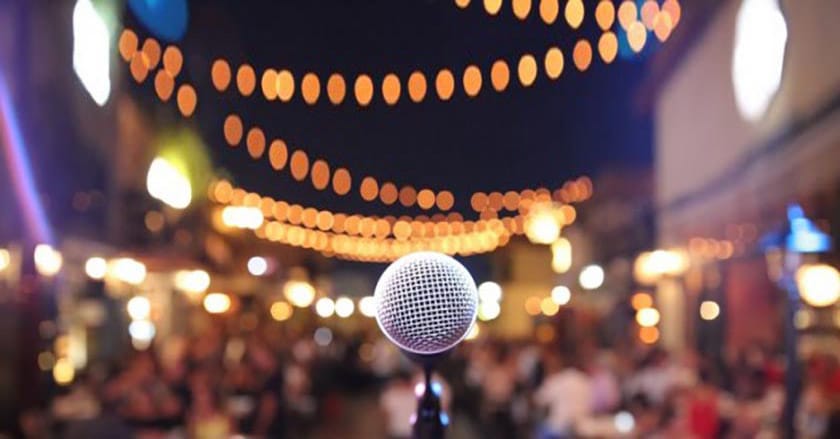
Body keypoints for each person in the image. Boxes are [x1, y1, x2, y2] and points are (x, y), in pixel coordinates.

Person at [534, 351, 593, 439]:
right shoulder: (585, 380)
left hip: (558, 430)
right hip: (581, 428)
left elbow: (537, 401)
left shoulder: (555, 380)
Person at [380, 371, 417, 439]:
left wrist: (385, 430)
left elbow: (385, 415)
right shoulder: (417, 395)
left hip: (398, 431)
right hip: (405, 431)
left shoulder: (390, 394)